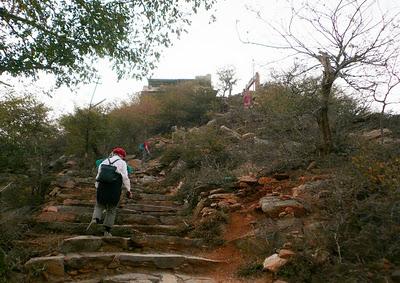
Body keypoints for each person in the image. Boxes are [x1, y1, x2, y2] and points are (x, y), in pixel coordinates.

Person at [87, 147, 132, 236]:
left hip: (102, 186)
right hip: (114, 188)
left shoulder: (104, 162)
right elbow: (125, 178)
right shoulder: (122, 163)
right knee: (111, 209)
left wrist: (97, 187)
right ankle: (106, 230)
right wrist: (128, 189)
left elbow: (98, 176)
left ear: (113, 153)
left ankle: (95, 220)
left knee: (99, 205)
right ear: (121, 155)